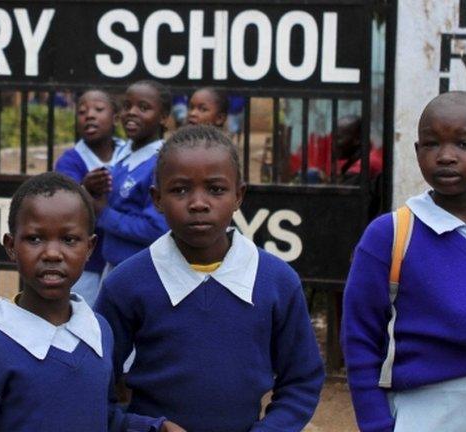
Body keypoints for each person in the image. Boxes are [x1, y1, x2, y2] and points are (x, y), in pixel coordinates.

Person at [95, 125, 325, 431]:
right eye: (179, 190)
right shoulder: (126, 283)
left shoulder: (276, 281)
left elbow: (303, 378)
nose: (198, 203)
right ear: (157, 198)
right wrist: (144, 427)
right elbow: (94, 381)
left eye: (216, 189)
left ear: (238, 195)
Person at [0, 172, 183, 432]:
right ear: (11, 246)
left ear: (89, 248)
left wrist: (155, 428)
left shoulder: (98, 331)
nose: (53, 254)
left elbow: (104, 417)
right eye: (35, 239)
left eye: (69, 240)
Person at [342, 91, 466, 432]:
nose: (446, 156)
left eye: (464, 144)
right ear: (416, 151)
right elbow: (359, 336)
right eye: (431, 144)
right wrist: (375, 421)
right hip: (417, 408)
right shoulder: (390, 235)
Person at [86, 80, 170, 273]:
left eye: (144, 107)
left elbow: (156, 228)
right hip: (113, 266)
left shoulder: (161, 164)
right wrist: (90, 189)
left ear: (163, 117)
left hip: (140, 271)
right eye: (127, 106)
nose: (131, 112)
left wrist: (103, 213)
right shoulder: (123, 154)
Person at [55, 89, 128, 305]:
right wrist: (83, 188)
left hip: (122, 261)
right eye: (82, 111)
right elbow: (62, 204)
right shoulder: (70, 161)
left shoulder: (130, 155)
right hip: (86, 266)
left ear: (115, 118)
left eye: (98, 109)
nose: (90, 115)